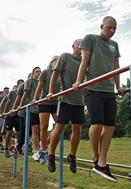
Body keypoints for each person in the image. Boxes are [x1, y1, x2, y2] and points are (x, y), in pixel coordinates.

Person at [73, 16, 123, 182]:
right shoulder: (91, 39)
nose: (112, 31)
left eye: (115, 28)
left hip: (108, 91)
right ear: (101, 26)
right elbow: (84, 62)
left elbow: (116, 67)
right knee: (98, 122)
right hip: (93, 88)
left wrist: (118, 86)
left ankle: (102, 162)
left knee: (110, 126)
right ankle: (95, 157)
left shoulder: (114, 45)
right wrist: (79, 81)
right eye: (109, 27)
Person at [46, 39, 84, 173]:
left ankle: (72, 156)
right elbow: (55, 74)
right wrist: (51, 91)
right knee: (60, 126)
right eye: (78, 43)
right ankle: (51, 155)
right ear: (73, 46)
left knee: (77, 129)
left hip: (80, 101)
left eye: (83, 43)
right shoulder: (66, 57)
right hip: (65, 99)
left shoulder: (86, 60)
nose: (81, 45)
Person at [32, 56, 61, 165]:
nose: (58, 64)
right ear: (51, 62)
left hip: (56, 102)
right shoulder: (46, 72)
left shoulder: (60, 73)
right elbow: (39, 86)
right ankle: (44, 150)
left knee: (60, 125)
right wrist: (35, 98)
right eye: (56, 62)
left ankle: (44, 143)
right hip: (44, 102)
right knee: (44, 127)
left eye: (60, 62)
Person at [19, 67, 42, 161]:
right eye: (37, 72)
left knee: (42, 130)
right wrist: (21, 105)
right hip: (32, 109)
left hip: (41, 109)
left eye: (40, 72)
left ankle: (41, 147)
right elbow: (25, 94)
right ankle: (36, 151)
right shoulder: (30, 81)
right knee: (34, 131)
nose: (39, 73)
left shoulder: (42, 81)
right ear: (33, 73)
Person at [0, 82, 23, 158]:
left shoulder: (23, 91)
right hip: (10, 115)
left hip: (18, 115)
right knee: (9, 132)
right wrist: (4, 112)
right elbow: (5, 103)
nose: (21, 85)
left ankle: (17, 147)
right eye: (20, 84)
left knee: (19, 133)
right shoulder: (12, 93)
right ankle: (6, 148)